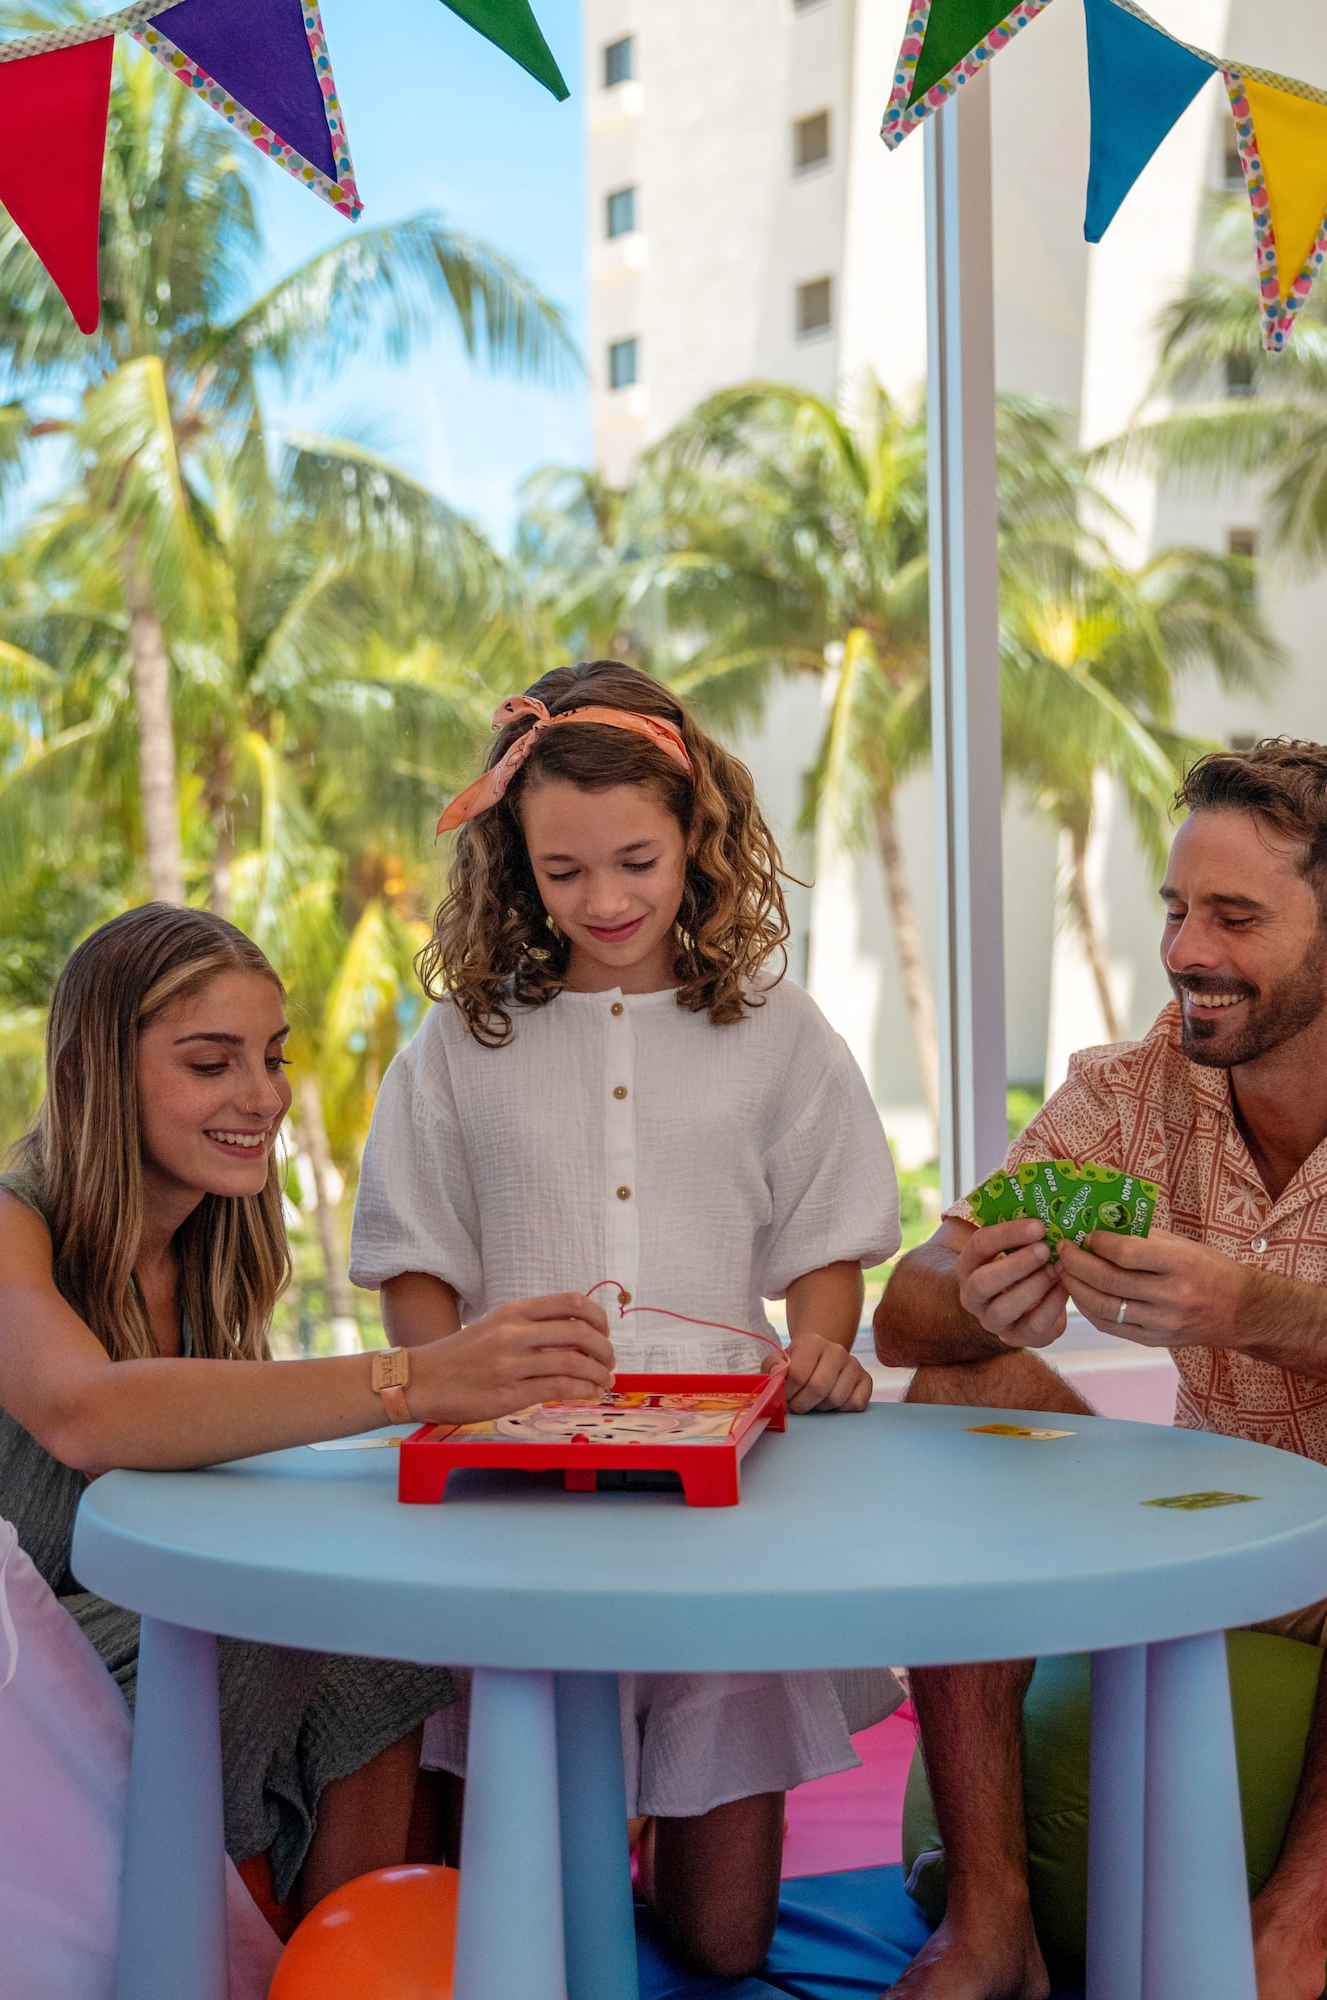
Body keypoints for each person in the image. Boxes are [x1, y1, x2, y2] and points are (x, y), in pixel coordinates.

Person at [350, 658, 904, 1977]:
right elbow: (412, 1251)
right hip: (519, 1496)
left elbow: (827, 1237)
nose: (602, 901)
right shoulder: (459, 1040)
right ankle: (591, 1822)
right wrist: (444, 1377)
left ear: (697, 836)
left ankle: (670, 1824)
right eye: (562, 872)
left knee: (721, 1948)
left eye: (635, 862)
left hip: (723, 1506)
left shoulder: (775, 1031)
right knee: (529, 1914)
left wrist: (823, 1341)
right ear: (512, 863)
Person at [0, 903, 615, 1922]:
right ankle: (233, 1959)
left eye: (270, 1057)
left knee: (375, 1621)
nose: (262, 1095)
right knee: (234, 1628)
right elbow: (88, 1414)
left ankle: (342, 1965)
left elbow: (222, 1477)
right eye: (210, 1062)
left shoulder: (215, 1247)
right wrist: (414, 1376)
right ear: (95, 1071)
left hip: (130, 1623)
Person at [872, 738, 1327, 2000]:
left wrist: (1260, 1309)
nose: (1187, 949)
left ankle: (1287, 1936)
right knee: (959, 1395)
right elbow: (904, 1314)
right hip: (1188, 1525)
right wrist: (971, 1295)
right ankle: (990, 1921)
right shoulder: (1134, 1089)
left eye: (1234, 916)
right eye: (1177, 910)